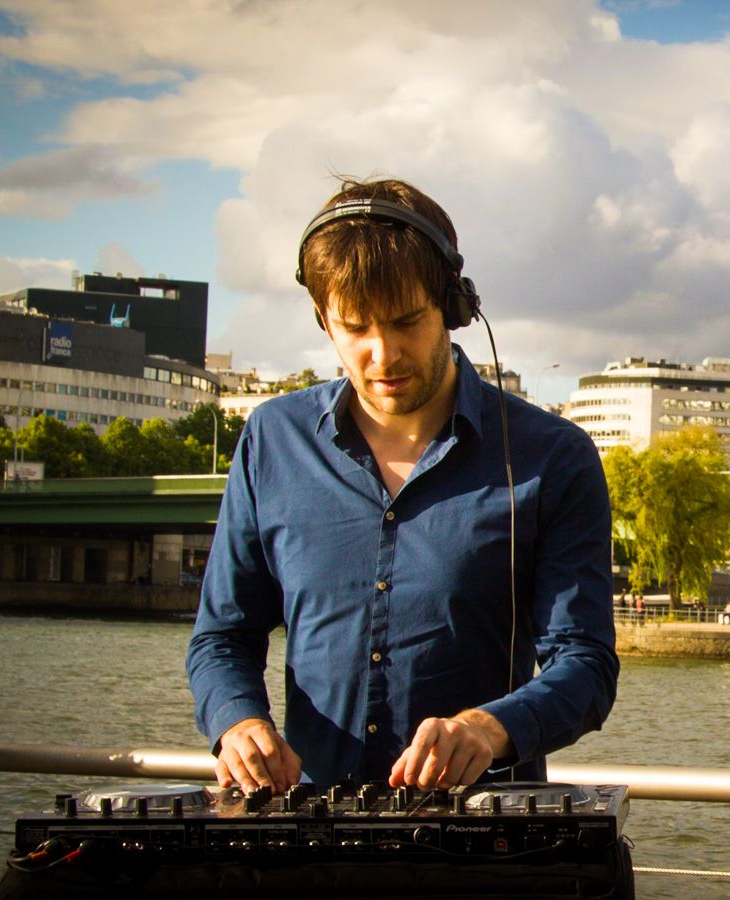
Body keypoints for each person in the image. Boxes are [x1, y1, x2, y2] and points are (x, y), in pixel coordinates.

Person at [187, 177, 618, 794]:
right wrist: (238, 721)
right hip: (308, 840)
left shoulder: (553, 457)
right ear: (322, 321)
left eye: (406, 321)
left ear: (453, 307)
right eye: (355, 328)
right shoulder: (270, 440)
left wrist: (489, 728)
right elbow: (223, 636)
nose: (382, 355)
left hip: (481, 852)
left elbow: (586, 665)